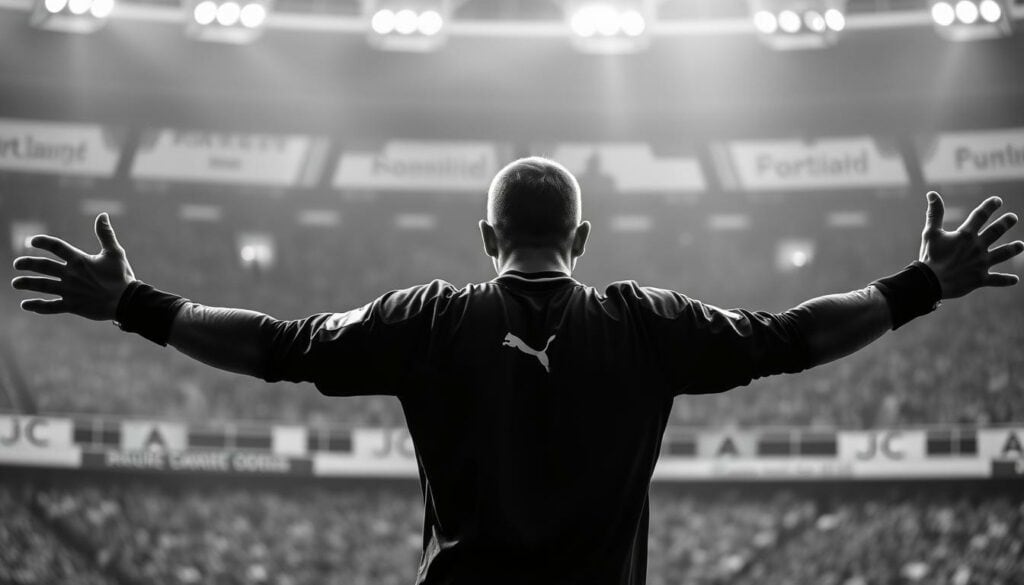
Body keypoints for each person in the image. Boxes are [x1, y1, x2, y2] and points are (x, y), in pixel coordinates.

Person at [10, 156, 1023, 585]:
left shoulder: (428, 319)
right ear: (581, 238)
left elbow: (274, 347)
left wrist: (133, 304)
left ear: (487, 236)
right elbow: (792, 336)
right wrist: (922, 284)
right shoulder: (648, 324)